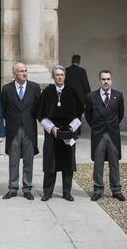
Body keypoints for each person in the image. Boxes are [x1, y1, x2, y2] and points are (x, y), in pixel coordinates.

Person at [37, 65, 83, 202]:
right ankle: (47, 192)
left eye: (62, 75)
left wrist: (70, 129)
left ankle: (67, 192)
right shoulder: (47, 92)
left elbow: (79, 115)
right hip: (52, 133)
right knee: (50, 163)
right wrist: (52, 128)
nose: (59, 77)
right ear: (53, 77)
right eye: (57, 75)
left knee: (68, 163)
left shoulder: (72, 92)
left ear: (65, 76)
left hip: (68, 133)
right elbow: (40, 115)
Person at [1, 63, 41, 200]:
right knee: (14, 160)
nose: (24, 73)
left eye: (25, 71)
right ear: (15, 73)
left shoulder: (34, 87)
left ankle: (27, 188)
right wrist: (12, 120)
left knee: (28, 160)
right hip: (13, 129)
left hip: (29, 129)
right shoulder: (6, 89)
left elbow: (38, 107)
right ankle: (12, 188)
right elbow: (3, 109)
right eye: (21, 71)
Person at [85, 70, 126, 201]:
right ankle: (98, 189)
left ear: (111, 80)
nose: (106, 81)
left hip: (113, 134)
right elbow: (88, 115)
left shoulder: (118, 96)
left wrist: (112, 125)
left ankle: (116, 190)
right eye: (103, 79)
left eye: (108, 79)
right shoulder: (91, 96)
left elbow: (121, 114)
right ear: (99, 81)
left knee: (114, 163)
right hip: (98, 134)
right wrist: (96, 127)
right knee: (98, 163)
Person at [65, 54, 91, 134]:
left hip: (68, 96)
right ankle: (77, 131)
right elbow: (85, 84)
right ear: (79, 61)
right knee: (78, 115)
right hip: (80, 98)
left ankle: (70, 130)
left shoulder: (66, 70)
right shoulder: (82, 71)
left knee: (69, 114)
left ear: (72, 61)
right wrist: (89, 96)